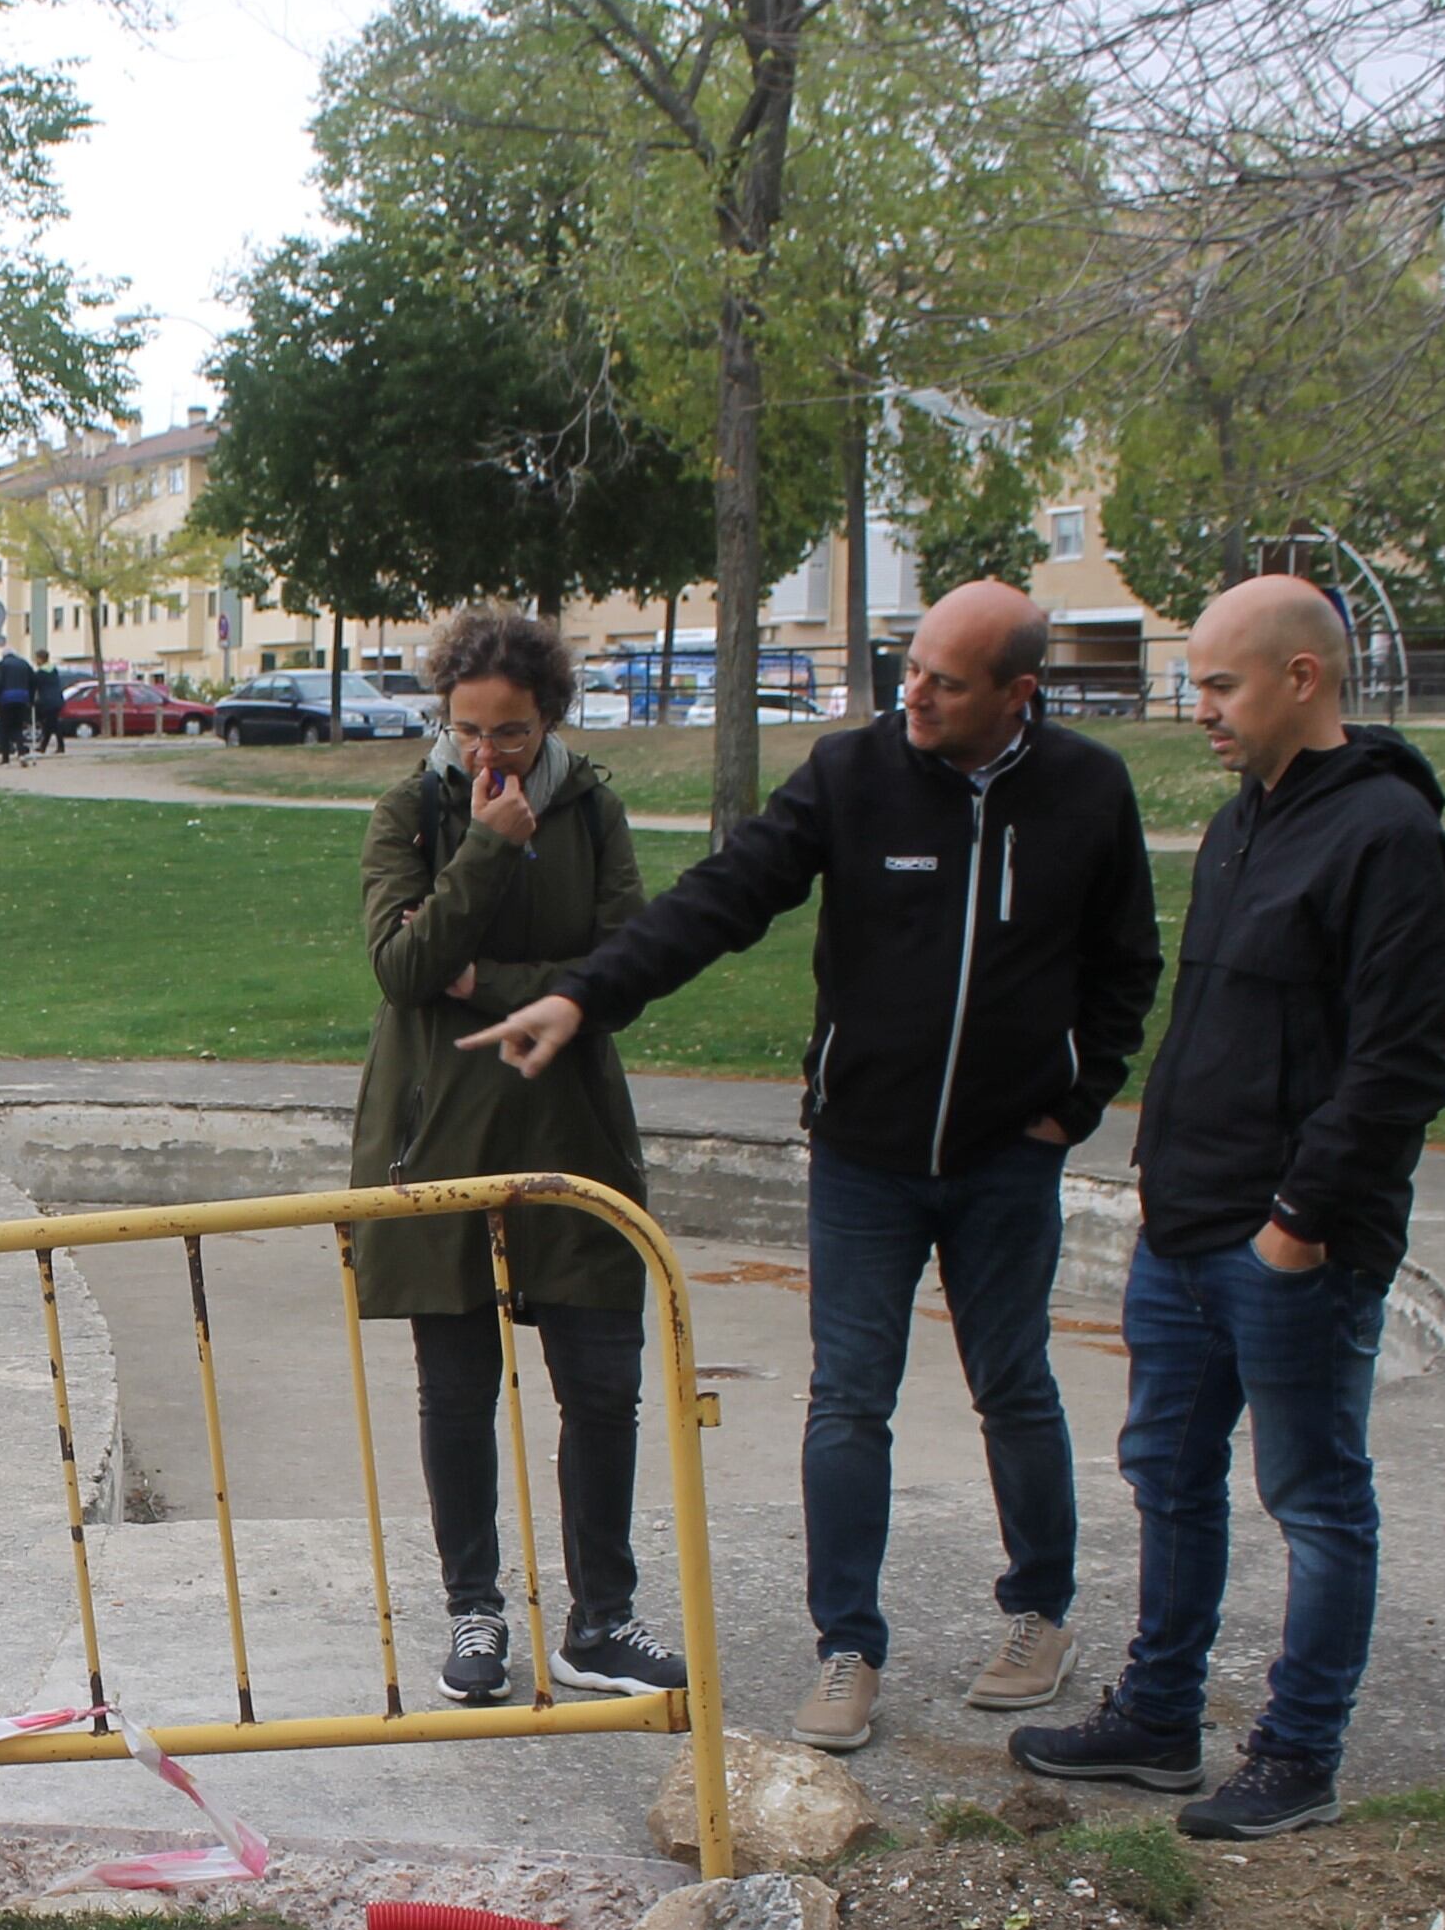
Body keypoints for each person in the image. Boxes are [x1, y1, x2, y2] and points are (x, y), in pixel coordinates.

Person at [459, 582, 1164, 1752]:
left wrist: (1073, 1103)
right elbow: (719, 902)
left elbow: (1124, 963)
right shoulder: (852, 773)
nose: (915, 696)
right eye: (910, 668)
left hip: (1005, 1158)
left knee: (1014, 1388)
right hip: (863, 1158)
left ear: (1016, 693)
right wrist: (583, 995)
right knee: (847, 1398)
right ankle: (846, 1645)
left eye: (945, 680)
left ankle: (1038, 1613)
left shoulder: (1087, 789)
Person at [1008, 575, 1445, 1841]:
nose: (1195, 708)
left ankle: (1296, 1753)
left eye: (1218, 684)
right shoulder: (1238, 825)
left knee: (1314, 1497)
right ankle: (1157, 1715)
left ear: (1301, 680)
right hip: (1186, 1226)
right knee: (1166, 1472)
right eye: (1193, 682)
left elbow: (1400, 1063)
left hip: (1289, 1247)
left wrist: (1297, 1226)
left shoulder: (1386, 838)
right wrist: (1164, 1189)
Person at [350, 606, 687, 1705]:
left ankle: (600, 1622)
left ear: (549, 718)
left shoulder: (591, 807)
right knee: (456, 1391)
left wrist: (485, 987)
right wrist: (489, 852)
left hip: (572, 1133)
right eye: (468, 731)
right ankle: (474, 1613)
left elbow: (624, 968)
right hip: (436, 1133)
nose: (488, 754)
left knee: (601, 1387)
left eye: (512, 733)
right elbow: (403, 969)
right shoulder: (411, 808)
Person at [0, 647, 35, 764]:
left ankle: (5, 758)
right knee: (18, 727)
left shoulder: (2, 664)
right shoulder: (25, 664)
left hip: (6, 699)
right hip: (22, 698)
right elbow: (33, 680)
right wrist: (31, 698)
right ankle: (21, 753)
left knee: (4, 728)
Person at [31, 659, 68, 756]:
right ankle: (44, 746)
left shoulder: (40, 673)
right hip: (57, 699)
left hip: (47, 701)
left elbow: (34, 687)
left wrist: (32, 699)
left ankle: (58, 746)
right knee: (51, 723)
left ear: (40, 658)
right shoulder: (54, 670)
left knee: (51, 724)